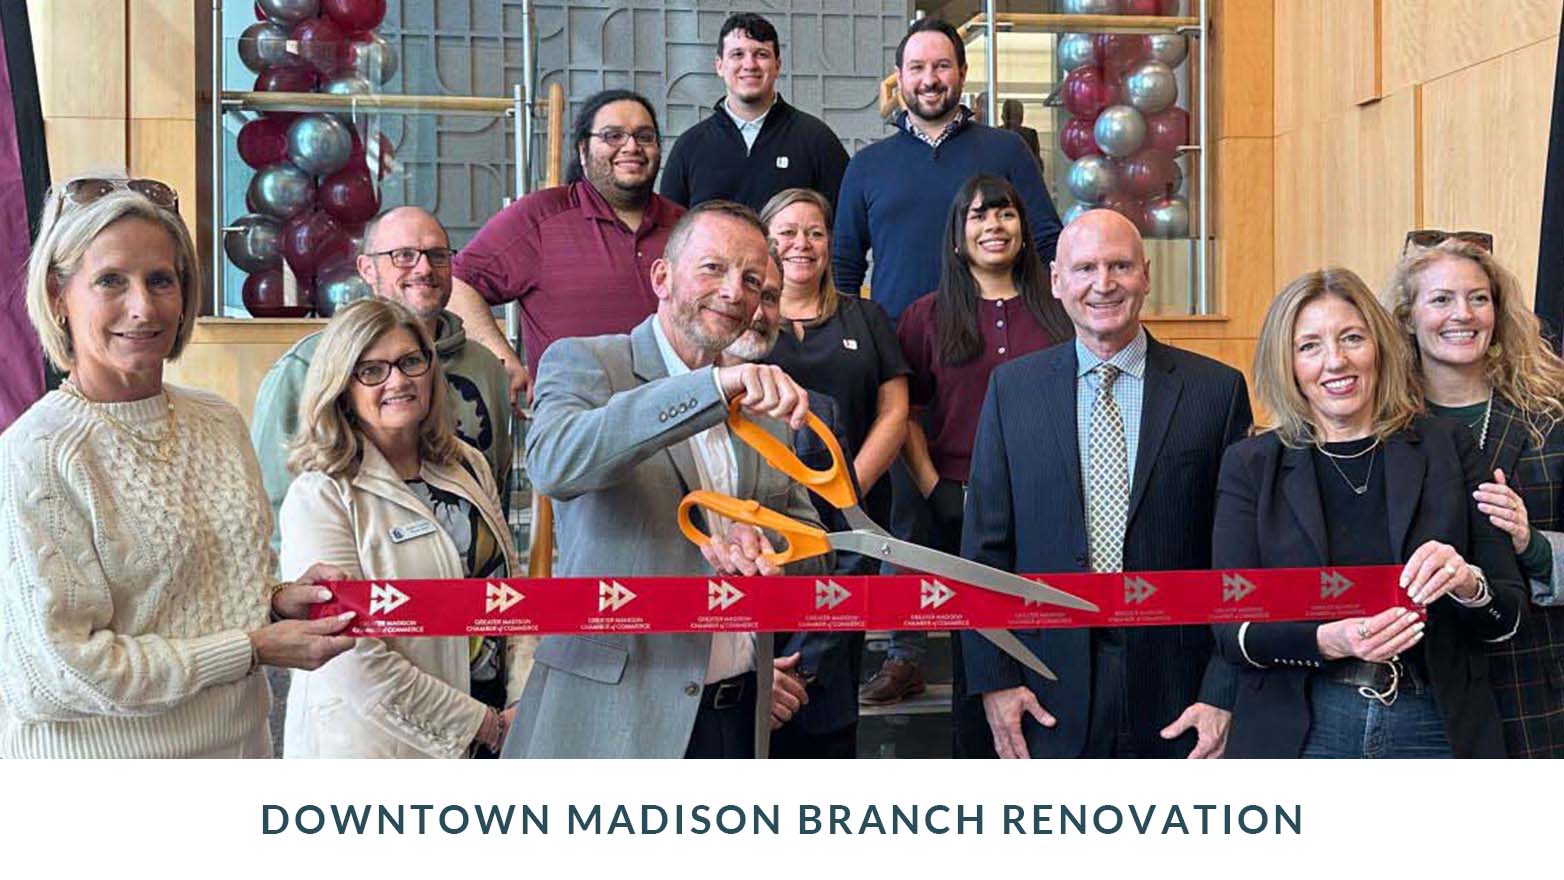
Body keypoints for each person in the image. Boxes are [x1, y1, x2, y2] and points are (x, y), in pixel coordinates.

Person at [0, 175, 354, 757]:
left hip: (240, 752)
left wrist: (275, 599)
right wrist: (253, 646)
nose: (142, 307)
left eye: (160, 279)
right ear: (59, 295)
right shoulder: (36, 452)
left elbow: (185, 595)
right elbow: (57, 675)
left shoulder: (217, 421)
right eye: (111, 280)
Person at [502, 201, 831, 759]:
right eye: (713, 268)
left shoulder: (759, 404)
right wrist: (709, 391)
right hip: (610, 720)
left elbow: (813, 545)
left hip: (738, 714)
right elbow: (555, 465)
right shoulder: (585, 362)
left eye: (751, 279)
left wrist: (768, 547)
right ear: (661, 276)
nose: (734, 291)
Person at [962, 209, 1252, 759]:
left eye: (1120, 266)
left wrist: (1223, 690)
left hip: (1178, 689)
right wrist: (995, 680)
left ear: (1146, 274)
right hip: (1042, 685)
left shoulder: (1216, 392)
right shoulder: (1011, 392)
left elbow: (1235, 558)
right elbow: (983, 552)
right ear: (1055, 281)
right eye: (1085, 268)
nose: (1103, 284)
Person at [1212, 267, 1525, 758]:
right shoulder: (1251, 465)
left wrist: (1468, 583)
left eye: (1352, 338)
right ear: (1288, 363)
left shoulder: (1447, 447)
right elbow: (1232, 631)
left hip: (1436, 722)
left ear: (1378, 346)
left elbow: (1507, 615)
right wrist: (1330, 639)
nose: (1335, 361)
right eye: (1309, 346)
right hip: (1303, 727)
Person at [278, 299, 524, 758]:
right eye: (372, 370)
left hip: (496, 735)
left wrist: (521, 704)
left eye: (411, 361)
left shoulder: (465, 464)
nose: (398, 380)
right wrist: (482, 725)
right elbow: (349, 658)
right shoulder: (322, 495)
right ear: (342, 387)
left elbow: (510, 595)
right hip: (383, 752)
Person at [879, 175, 1073, 743]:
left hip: (1053, 501)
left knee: (1050, 635)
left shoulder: (1060, 308)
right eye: (979, 216)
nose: (994, 226)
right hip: (962, 503)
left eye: (1005, 214)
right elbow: (907, 413)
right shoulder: (926, 315)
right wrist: (936, 487)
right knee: (981, 648)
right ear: (959, 236)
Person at [1384, 236, 1564, 757]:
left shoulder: (1552, 416)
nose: (1462, 314)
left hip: (1538, 690)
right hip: (1423, 695)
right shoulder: (1380, 427)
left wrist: (1530, 543)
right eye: (1441, 299)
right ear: (1406, 317)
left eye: (1478, 298)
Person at [253, 206, 512, 553]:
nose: (424, 268)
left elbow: (496, 485)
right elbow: (268, 503)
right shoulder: (305, 365)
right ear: (367, 269)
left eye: (437, 255)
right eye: (403, 256)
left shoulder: (486, 367)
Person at [448, 89, 686, 408]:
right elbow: (456, 283)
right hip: (576, 425)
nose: (631, 146)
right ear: (583, 150)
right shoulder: (541, 216)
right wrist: (501, 361)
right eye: (612, 135)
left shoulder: (687, 226)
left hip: (676, 420)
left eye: (644, 136)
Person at [723, 245, 863, 759]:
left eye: (772, 299)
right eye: (750, 295)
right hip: (699, 691)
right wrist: (747, 671)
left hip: (807, 693)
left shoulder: (815, 413)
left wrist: (795, 669)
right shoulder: (668, 412)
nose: (759, 312)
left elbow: (850, 553)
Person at [833, 17, 1060, 322]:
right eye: (917, 68)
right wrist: (850, 340)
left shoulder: (1008, 151)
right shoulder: (867, 165)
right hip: (897, 347)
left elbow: (1047, 244)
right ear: (899, 78)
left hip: (995, 342)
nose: (930, 79)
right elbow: (844, 266)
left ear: (963, 73)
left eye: (942, 66)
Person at [759, 187, 908, 537]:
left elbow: (895, 413)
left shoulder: (867, 316)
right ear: (764, 241)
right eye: (787, 233)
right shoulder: (744, 322)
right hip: (765, 512)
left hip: (859, 507)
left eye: (815, 233)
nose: (802, 244)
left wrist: (848, 493)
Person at [659, 12, 850, 214]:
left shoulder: (817, 140)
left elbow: (845, 230)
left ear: (777, 65)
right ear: (719, 65)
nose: (749, 65)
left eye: (761, 54)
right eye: (737, 54)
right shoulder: (689, 147)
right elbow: (669, 234)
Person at [1001, 99, 1044, 174]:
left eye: (1016, 116)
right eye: (1010, 117)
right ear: (1003, 117)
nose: (1012, 121)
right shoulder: (997, 135)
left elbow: (1037, 164)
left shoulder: (1030, 135)